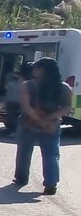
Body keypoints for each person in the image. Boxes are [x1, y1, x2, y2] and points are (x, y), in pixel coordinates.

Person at [14, 57, 73, 195]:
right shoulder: (65, 87)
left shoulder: (27, 85)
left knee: (24, 152)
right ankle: (51, 183)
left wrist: (37, 119)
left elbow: (26, 106)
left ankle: (21, 178)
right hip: (51, 125)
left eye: (36, 67)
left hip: (28, 123)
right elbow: (66, 108)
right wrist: (48, 119)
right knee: (51, 154)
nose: (33, 70)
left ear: (42, 70)